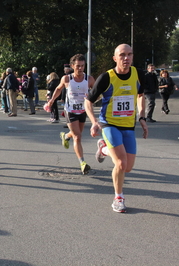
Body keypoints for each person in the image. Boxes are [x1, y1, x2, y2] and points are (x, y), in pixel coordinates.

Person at [84, 43, 148, 213]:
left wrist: (142, 116)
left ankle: (104, 149)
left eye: (129, 54)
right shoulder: (107, 77)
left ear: (133, 57)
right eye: (122, 55)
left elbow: (141, 95)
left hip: (128, 125)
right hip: (109, 124)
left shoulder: (138, 74)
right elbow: (88, 101)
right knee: (120, 163)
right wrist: (94, 121)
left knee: (128, 167)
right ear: (115, 58)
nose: (126, 58)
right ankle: (118, 197)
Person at [46, 54, 95, 175]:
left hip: (83, 111)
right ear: (72, 66)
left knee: (76, 134)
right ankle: (82, 163)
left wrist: (91, 97)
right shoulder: (67, 79)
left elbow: (96, 92)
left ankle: (66, 136)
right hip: (70, 110)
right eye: (78, 66)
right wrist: (51, 101)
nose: (80, 68)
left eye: (82, 66)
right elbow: (58, 89)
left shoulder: (89, 79)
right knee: (78, 137)